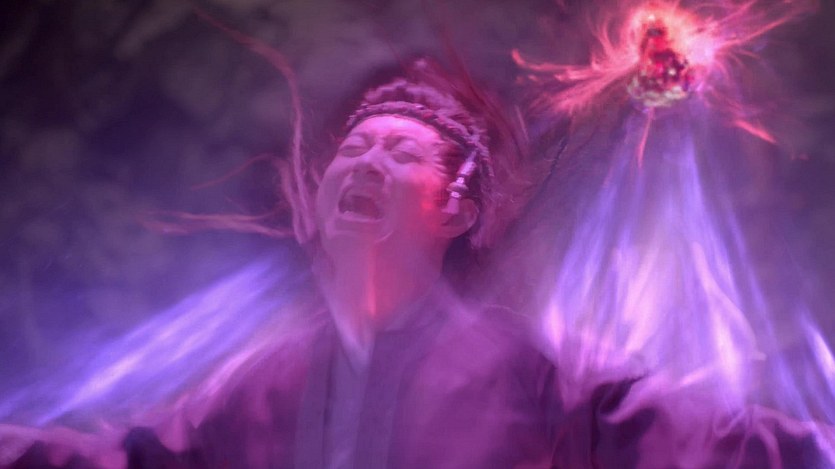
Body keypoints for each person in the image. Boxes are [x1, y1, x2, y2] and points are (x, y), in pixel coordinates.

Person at [3, 59, 832, 469]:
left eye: (400, 153)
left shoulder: (532, 370)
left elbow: (723, 444)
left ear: (457, 210)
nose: (366, 161)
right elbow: (123, 461)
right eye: (355, 147)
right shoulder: (264, 382)